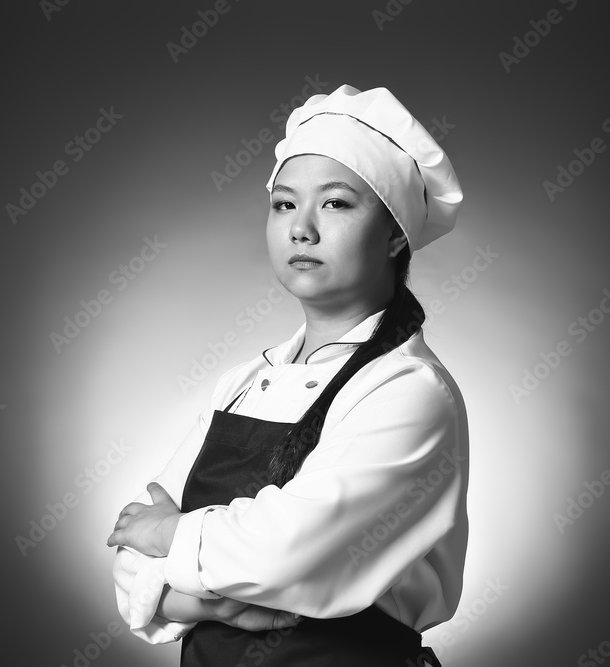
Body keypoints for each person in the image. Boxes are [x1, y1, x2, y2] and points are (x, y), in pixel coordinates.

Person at [108, 83, 468, 666]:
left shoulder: (407, 390)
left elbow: (289, 549)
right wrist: (207, 606)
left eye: (336, 203)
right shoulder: (243, 381)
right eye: (284, 204)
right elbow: (128, 556)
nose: (301, 229)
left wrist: (168, 537)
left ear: (396, 233)